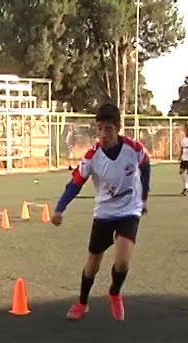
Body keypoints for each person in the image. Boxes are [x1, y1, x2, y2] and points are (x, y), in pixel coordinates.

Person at [51, 104, 151, 322]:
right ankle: (83, 302)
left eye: (107, 129)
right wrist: (60, 208)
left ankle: (114, 293)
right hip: (104, 213)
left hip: (129, 210)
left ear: (117, 129)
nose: (102, 135)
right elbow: (75, 184)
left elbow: (146, 165)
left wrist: (143, 198)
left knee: (122, 261)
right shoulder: (92, 157)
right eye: (99, 129)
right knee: (92, 264)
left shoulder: (134, 149)